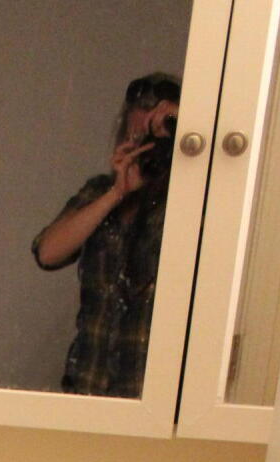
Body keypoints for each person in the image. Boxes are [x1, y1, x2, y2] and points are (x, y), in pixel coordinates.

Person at [33, 73, 182, 398]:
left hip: (153, 398)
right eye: (139, 137)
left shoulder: (190, 203)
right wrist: (117, 192)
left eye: (157, 142)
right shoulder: (99, 192)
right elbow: (47, 252)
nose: (148, 149)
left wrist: (182, 145)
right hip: (87, 387)